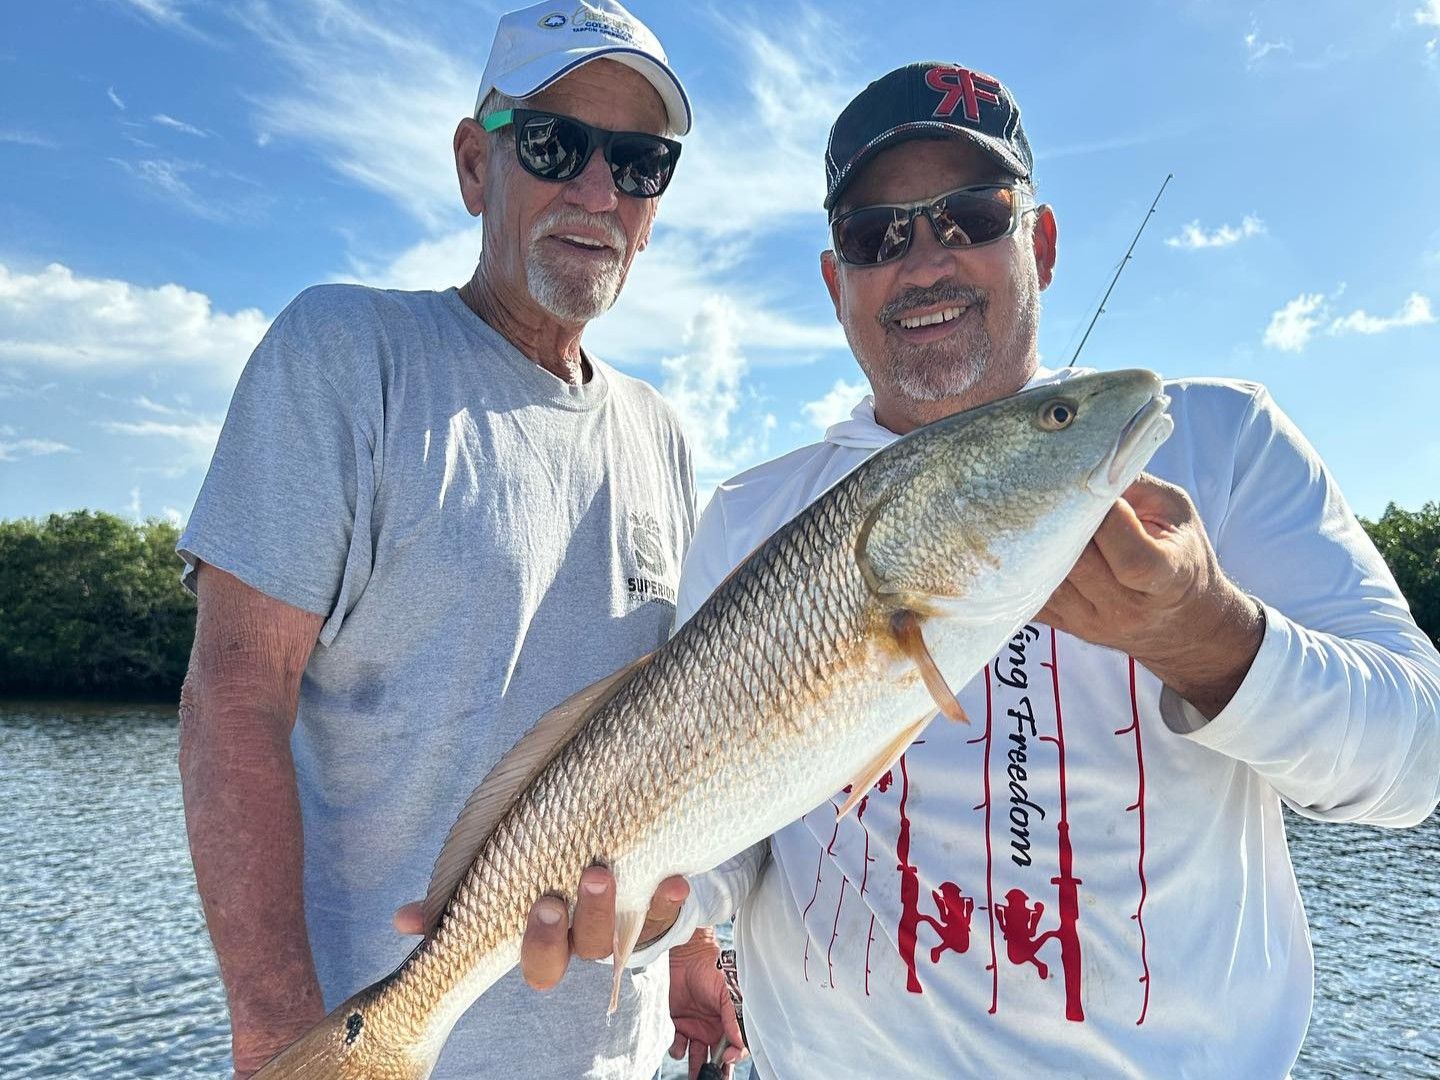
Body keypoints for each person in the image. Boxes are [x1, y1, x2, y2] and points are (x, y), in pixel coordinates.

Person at [528, 61, 1440, 1078]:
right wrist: (657, 912)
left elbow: (1416, 762)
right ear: (837, 283)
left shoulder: (1217, 444)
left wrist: (1208, 636)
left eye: (970, 215)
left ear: (1040, 244)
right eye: (877, 235)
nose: (923, 263)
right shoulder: (749, 517)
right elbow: (729, 836)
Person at [176, 3, 704, 1077]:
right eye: (555, 145)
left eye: (639, 163)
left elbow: (671, 736)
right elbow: (234, 698)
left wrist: (697, 959)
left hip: (624, 1052)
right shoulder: (346, 353)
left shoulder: (662, 431)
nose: (598, 192)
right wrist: (280, 1034)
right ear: (476, 165)